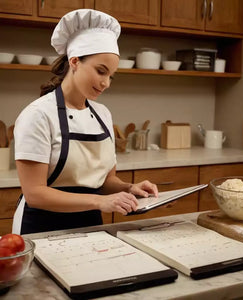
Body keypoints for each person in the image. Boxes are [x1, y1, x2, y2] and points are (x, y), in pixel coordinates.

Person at [12, 9, 158, 234]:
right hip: (41, 228)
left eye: (111, 76)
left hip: (90, 225)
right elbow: (35, 194)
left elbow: (105, 181)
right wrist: (99, 202)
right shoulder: (38, 115)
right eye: (101, 71)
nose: (106, 83)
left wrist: (129, 188)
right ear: (75, 61)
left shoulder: (103, 114)